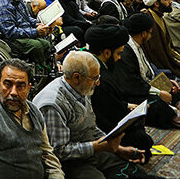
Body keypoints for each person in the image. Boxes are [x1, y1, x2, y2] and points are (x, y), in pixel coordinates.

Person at [33, 51, 158, 179]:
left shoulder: (80, 88)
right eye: (95, 78)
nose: (98, 83)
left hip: (87, 151)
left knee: (136, 173)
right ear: (76, 77)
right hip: (68, 163)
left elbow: (89, 125)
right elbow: (59, 151)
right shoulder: (53, 104)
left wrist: (117, 148)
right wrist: (96, 147)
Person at [85, 24, 155, 163]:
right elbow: (110, 114)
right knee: (143, 141)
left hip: (110, 116)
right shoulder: (98, 77)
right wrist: (131, 114)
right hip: (102, 129)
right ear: (106, 53)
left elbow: (112, 102)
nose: (119, 58)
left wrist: (127, 105)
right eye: (118, 53)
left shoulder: (96, 64)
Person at [118, 13, 180, 128]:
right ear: (143, 33)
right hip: (134, 92)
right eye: (150, 32)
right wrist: (159, 92)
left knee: (174, 85)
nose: (151, 35)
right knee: (159, 107)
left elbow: (149, 69)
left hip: (145, 84)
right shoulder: (126, 52)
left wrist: (166, 82)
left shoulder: (137, 45)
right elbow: (132, 83)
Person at [140, 0, 180, 77]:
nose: (170, 2)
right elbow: (157, 54)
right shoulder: (150, 21)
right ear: (156, 4)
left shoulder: (159, 16)